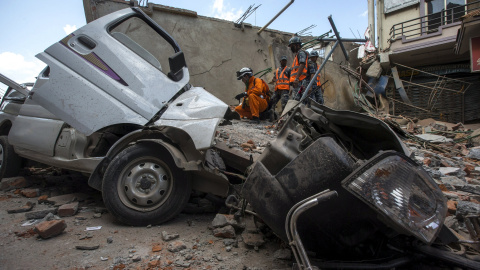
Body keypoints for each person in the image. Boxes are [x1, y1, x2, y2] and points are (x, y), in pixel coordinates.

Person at [288, 36, 308, 101]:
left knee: (297, 102)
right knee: (297, 101)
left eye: (292, 46)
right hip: (298, 82)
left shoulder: (301, 53)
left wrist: (296, 79)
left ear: (297, 45)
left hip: (300, 81)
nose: (291, 48)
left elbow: (302, 64)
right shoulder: (297, 55)